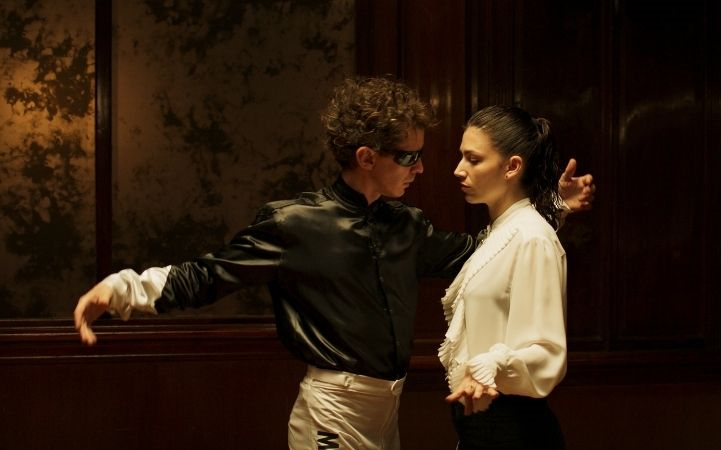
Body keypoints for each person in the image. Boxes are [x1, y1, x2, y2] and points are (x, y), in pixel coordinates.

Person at [74, 76, 594, 450]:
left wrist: (551, 207)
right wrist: (120, 290)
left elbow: (490, 251)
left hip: (388, 410)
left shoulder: (407, 226)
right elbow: (208, 275)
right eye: (408, 156)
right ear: (367, 157)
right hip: (332, 408)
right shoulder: (295, 223)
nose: (422, 168)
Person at [439, 105, 570, 449]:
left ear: (512, 166)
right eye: (461, 157)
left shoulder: (532, 237)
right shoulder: (502, 231)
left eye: (473, 159)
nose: (458, 170)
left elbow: (547, 350)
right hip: (483, 426)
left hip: (515, 428)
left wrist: (491, 365)